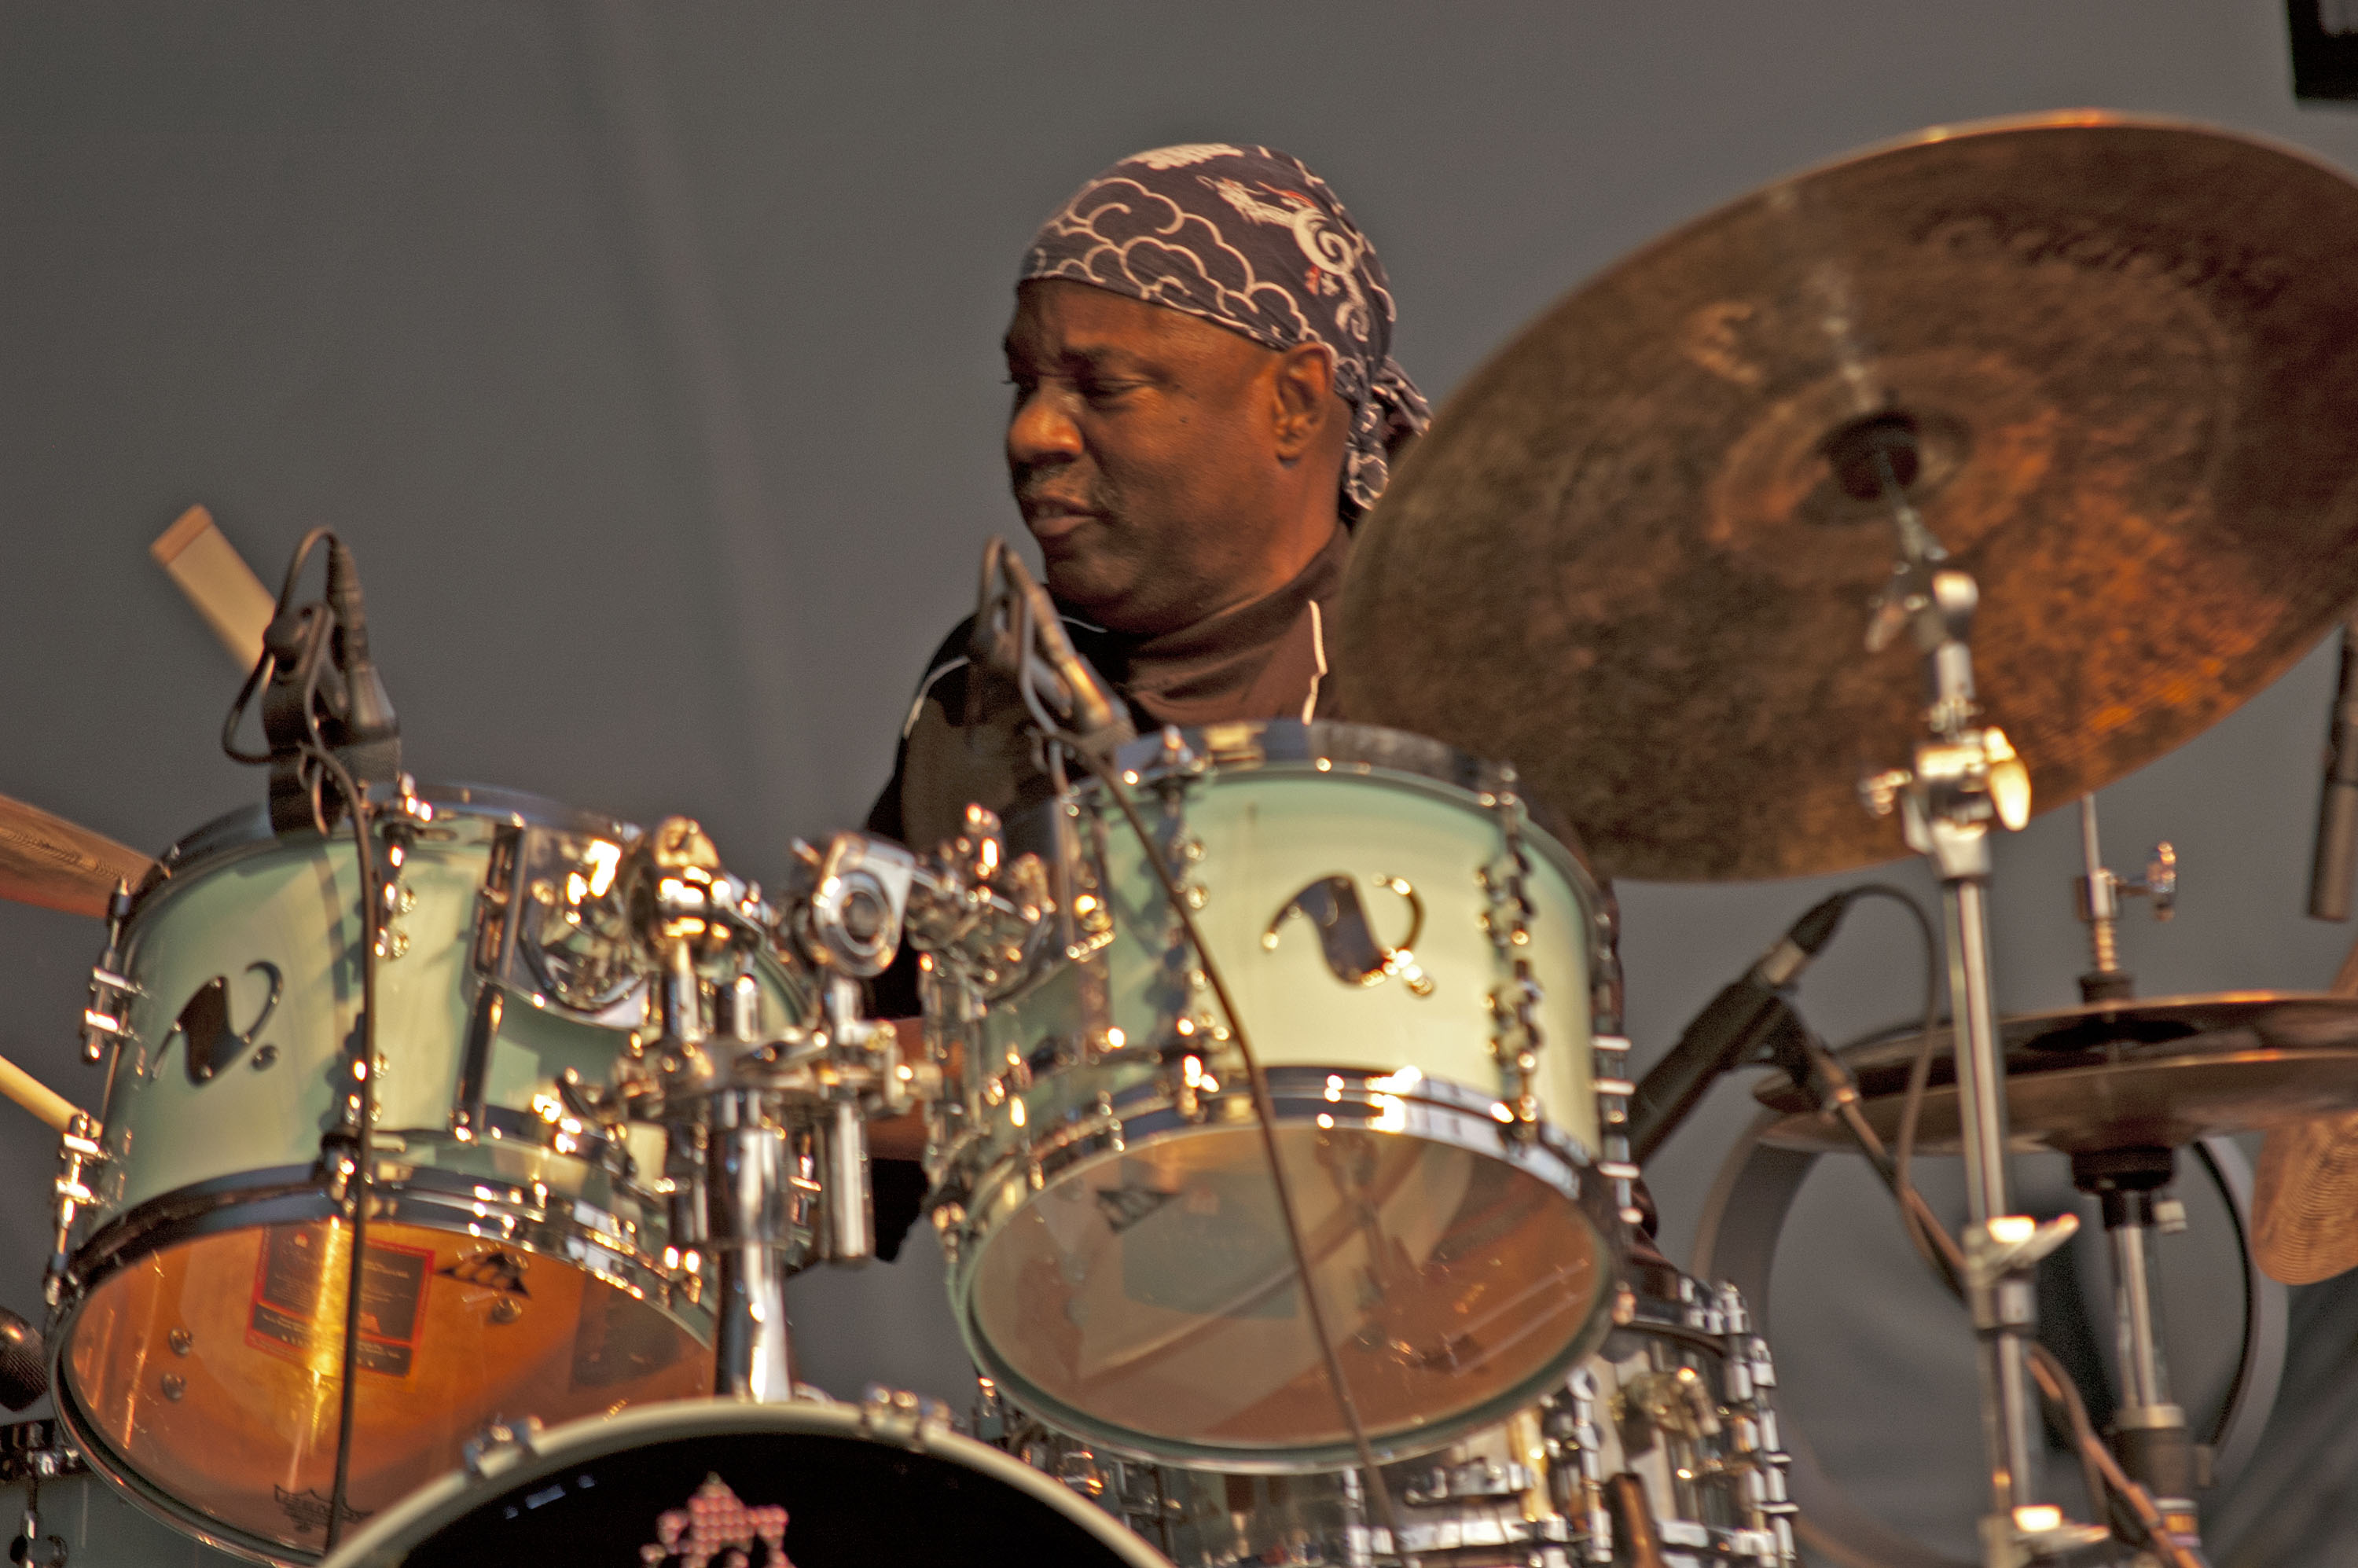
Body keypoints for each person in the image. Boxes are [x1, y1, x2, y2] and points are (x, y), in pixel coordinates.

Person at [859, 143, 1430, 1254]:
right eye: (1026, 384)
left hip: (1454, 1348)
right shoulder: (981, 704)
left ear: (1295, 404)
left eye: (1101, 387)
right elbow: (844, 1097)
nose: (1034, 434)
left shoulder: (1443, 665)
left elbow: (1334, 1084)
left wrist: (934, 1068)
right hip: (1105, 1391)